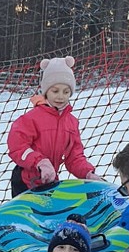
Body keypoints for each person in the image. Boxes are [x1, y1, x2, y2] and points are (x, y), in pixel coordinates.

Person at [6, 56, 103, 198]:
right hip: (26, 181)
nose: (61, 97)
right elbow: (17, 146)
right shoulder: (32, 118)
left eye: (66, 92)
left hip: (49, 181)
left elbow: (74, 157)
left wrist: (88, 173)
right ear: (46, 91)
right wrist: (40, 161)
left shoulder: (71, 123)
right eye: (55, 91)